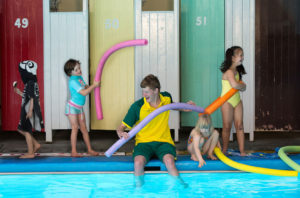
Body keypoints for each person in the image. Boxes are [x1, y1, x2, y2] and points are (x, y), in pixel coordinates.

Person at [117, 74, 194, 187]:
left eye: (147, 92)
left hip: (163, 141)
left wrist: (185, 107)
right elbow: (120, 128)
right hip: (144, 143)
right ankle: (139, 189)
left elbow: (173, 106)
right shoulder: (137, 107)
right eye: (143, 91)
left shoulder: (166, 98)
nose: (144, 95)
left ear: (156, 91)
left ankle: (182, 186)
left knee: (169, 161)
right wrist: (120, 133)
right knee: (138, 163)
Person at [64, 59, 100, 157]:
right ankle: (73, 151)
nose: (79, 70)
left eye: (79, 68)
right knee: (75, 128)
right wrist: (94, 86)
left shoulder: (79, 78)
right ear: (70, 73)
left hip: (80, 108)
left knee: (84, 128)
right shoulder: (72, 81)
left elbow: (85, 87)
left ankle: (89, 149)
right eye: (76, 70)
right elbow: (84, 92)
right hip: (72, 108)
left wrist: (93, 85)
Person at [13, 60, 44, 158]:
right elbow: (28, 96)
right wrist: (19, 92)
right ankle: (36, 144)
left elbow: (32, 98)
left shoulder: (30, 83)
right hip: (28, 108)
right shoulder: (32, 82)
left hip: (28, 109)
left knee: (26, 130)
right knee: (21, 129)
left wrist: (30, 111)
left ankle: (30, 153)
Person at [220, 46, 247, 156]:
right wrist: (241, 85)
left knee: (240, 125)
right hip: (227, 101)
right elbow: (236, 85)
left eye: (242, 55)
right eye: (240, 55)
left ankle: (242, 151)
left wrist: (241, 86)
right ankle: (224, 150)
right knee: (227, 126)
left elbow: (243, 88)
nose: (242, 57)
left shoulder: (237, 71)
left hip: (237, 100)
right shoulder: (229, 72)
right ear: (232, 58)